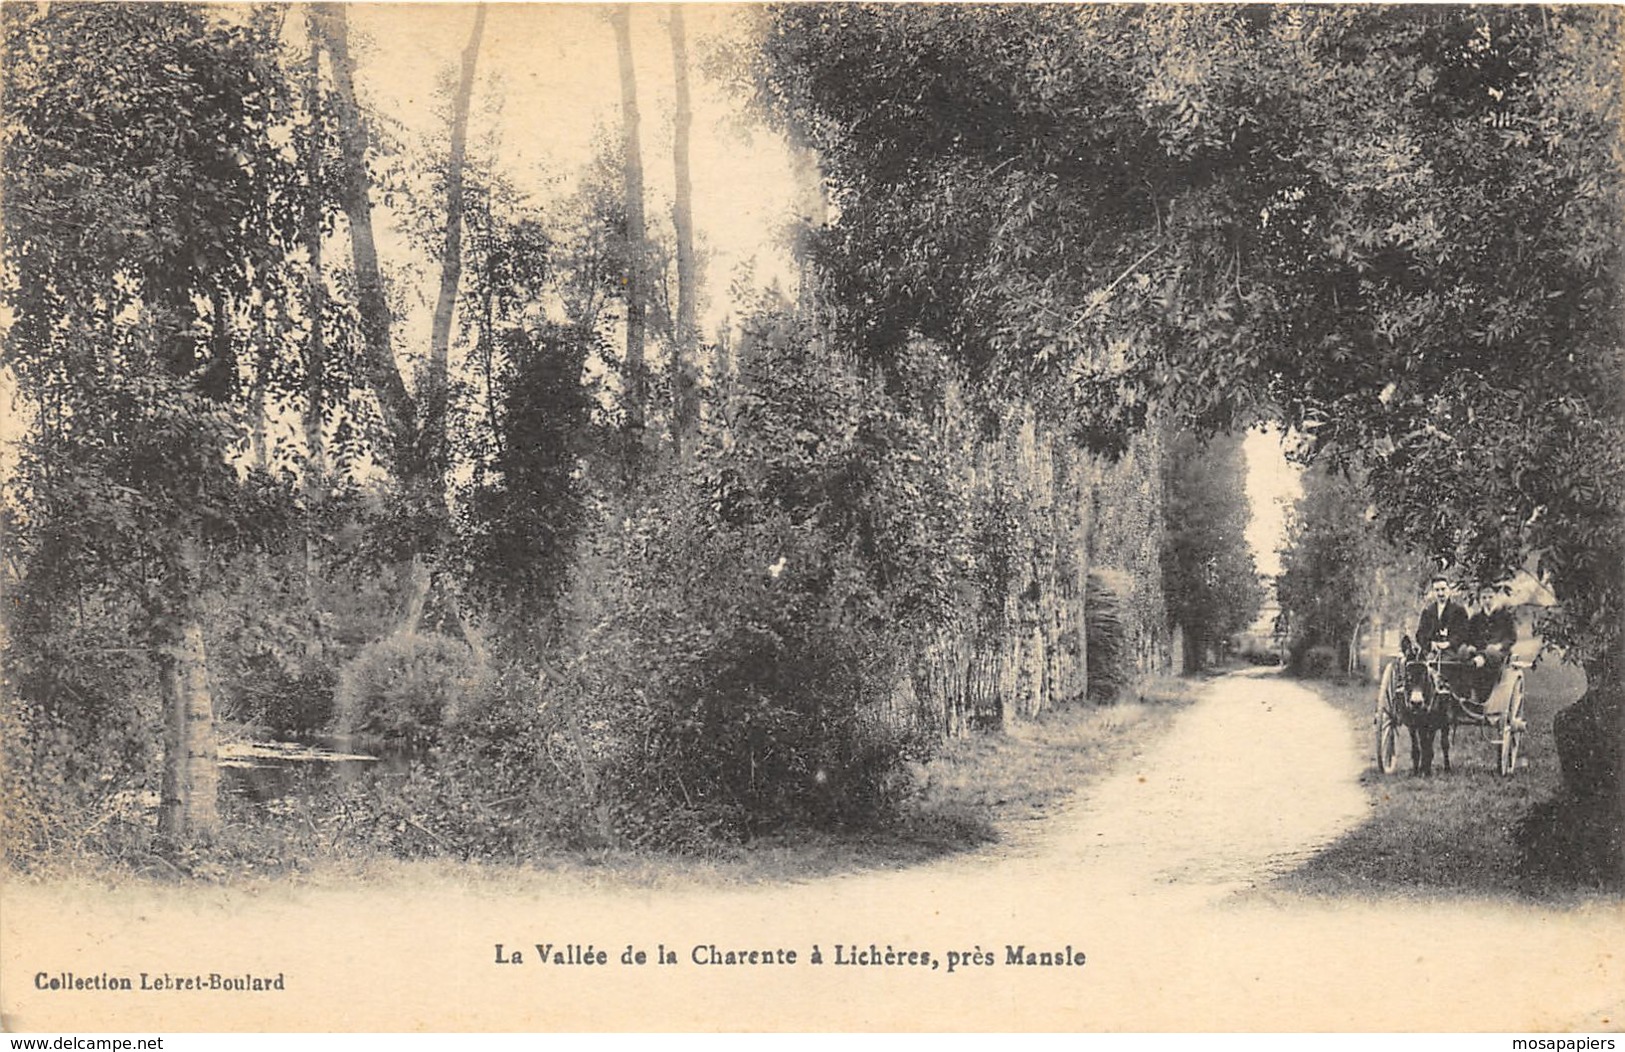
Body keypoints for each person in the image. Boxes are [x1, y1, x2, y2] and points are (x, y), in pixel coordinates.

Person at [1462, 586, 1518, 707]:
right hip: (1479, 652)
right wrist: (1470, 645)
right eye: (1484, 598)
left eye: (1490, 597)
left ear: (1496, 598)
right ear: (1479, 600)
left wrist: (1499, 646)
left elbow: (1512, 637)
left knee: (1490, 652)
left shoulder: (1505, 616)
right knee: (1464, 653)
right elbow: (1468, 637)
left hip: (1498, 653)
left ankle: (1479, 662)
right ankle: (1468, 694)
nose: (1487, 601)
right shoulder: (1476, 618)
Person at [1415, 575, 1470, 658]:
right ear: (1433, 592)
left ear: (1449, 590)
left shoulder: (1459, 611)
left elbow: (1463, 633)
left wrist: (1449, 643)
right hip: (1431, 651)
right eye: (1437, 590)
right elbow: (1420, 634)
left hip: (1452, 652)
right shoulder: (1427, 611)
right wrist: (1431, 644)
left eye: (1443, 589)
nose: (1440, 593)